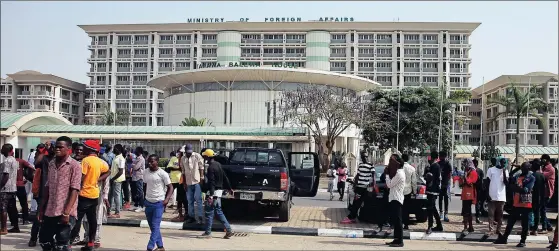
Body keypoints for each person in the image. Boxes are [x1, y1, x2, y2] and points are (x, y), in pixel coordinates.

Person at [37, 136, 81, 251]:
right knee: (44, 240)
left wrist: (66, 213)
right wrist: (41, 209)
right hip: (50, 210)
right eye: (56, 147)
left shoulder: (75, 165)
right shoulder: (51, 164)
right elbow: (47, 186)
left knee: (62, 244)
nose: (57, 149)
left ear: (69, 148)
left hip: (66, 212)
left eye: (61, 147)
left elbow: (75, 189)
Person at [69, 139, 110, 251]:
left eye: (84, 147)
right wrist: (98, 179)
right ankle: (90, 243)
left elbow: (80, 178)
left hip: (84, 194)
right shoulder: (101, 162)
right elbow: (108, 171)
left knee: (77, 219)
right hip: (94, 195)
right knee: (92, 220)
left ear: (89, 149)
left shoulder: (86, 161)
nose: (83, 149)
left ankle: (69, 242)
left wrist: (74, 189)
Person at [494, 162, 535, 247]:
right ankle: (504, 238)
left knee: (525, 224)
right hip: (516, 204)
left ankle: (522, 241)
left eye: (524, 168)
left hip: (526, 204)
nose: (522, 169)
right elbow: (509, 180)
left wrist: (516, 188)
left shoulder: (531, 178)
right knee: (510, 222)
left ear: (528, 169)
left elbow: (526, 190)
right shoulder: (518, 176)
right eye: (522, 168)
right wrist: (516, 168)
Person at [200, 149, 234, 239]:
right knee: (218, 211)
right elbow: (225, 177)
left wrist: (210, 196)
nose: (203, 158)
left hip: (213, 193)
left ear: (207, 157)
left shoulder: (211, 167)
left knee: (209, 212)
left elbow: (212, 183)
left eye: (204, 156)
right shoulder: (218, 164)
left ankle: (208, 233)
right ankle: (229, 230)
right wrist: (230, 188)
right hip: (218, 192)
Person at [143, 154, 173, 250]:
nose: (150, 163)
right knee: (153, 227)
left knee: (155, 226)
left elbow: (170, 187)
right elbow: (145, 185)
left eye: (152, 161)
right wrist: (144, 198)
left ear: (157, 162)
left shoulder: (163, 173)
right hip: (148, 202)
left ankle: (150, 247)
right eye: (149, 161)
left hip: (159, 203)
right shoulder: (145, 172)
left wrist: (167, 200)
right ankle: (160, 247)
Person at [28, 143, 52, 247]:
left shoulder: (60, 160)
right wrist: (44, 151)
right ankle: (33, 238)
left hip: (55, 193)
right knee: (39, 216)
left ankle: (48, 239)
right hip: (42, 192)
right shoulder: (44, 159)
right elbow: (36, 162)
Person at [384, 154, 406, 248]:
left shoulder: (400, 174)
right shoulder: (397, 172)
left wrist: (387, 175)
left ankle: (400, 241)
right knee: (395, 220)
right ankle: (396, 239)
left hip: (396, 198)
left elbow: (389, 185)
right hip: (394, 197)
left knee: (398, 220)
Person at [181, 144, 205, 224]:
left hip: (197, 181)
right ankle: (191, 217)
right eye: (187, 152)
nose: (189, 153)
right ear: (185, 151)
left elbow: (201, 167)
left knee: (198, 200)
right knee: (189, 200)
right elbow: (183, 172)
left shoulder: (197, 156)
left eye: (190, 152)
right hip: (188, 182)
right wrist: (184, 183)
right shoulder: (183, 158)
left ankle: (200, 217)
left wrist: (201, 178)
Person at [9, 157, 34, 230]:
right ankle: (25, 219)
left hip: (11, 185)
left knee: (11, 205)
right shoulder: (21, 161)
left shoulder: (7, 162)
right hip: (20, 184)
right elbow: (31, 167)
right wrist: (28, 177)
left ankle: (13, 221)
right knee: (24, 204)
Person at [485, 158, 509, 237]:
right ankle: (491, 230)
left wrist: (504, 172)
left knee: (500, 214)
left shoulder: (505, 171)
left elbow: (506, 183)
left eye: (505, 163)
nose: (503, 164)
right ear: (499, 162)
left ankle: (498, 230)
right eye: (502, 162)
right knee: (491, 214)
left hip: (501, 196)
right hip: (492, 195)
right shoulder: (491, 170)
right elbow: (487, 182)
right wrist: (487, 194)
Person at [0, 143, 19, 235]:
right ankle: (16, 227)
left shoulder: (7, 161)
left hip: (5, 188)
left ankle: (3, 229)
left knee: (3, 208)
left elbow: (6, 175)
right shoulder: (15, 160)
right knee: (12, 209)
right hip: (13, 188)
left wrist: (0, 186)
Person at [424, 151, 443, 234]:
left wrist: (427, 173)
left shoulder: (435, 166)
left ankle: (430, 226)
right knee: (433, 208)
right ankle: (439, 225)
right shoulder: (433, 166)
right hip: (431, 190)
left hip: (432, 191)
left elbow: (430, 178)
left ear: (432, 157)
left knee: (430, 209)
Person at [460, 158, 478, 234]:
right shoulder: (467, 172)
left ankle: (466, 228)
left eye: (465, 164)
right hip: (465, 193)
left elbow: (469, 182)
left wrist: (465, 177)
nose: (464, 166)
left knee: (467, 212)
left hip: (469, 194)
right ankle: (470, 227)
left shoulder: (473, 172)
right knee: (466, 211)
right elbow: (462, 184)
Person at [108, 144, 126, 218]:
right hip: (113, 179)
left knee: (116, 196)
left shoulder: (121, 159)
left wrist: (113, 179)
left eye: (114, 149)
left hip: (117, 180)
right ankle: (108, 211)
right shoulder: (116, 157)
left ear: (118, 150)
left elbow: (120, 171)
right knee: (110, 196)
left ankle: (117, 212)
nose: (113, 150)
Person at [530, 159, 546, 236]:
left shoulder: (532, 175)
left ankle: (528, 229)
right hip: (540, 197)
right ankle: (535, 230)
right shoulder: (542, 176)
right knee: (537, 214)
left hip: (532, 197)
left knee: (528, 213)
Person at [540, 154, 556, 233]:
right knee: (542, 210)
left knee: (542, 210)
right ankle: (548, 226)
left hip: (547, 192)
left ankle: (545, 227)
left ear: (546, 160)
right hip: (544, 192)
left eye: (542, 159)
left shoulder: (550, 169)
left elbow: (542, 175)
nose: (541, 161)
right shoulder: (544, 167)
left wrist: (538, 167)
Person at [401, 154, 417, 230]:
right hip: (408, 191)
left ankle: (399, 223)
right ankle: (406, 224)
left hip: (399, 190)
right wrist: (415, 191)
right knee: (406, 208)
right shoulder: (412, 168)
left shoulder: (399, 168)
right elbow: (414, 182)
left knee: (399, 208)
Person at [130, 147, 145, 212]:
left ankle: (141, 206)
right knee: (135, 192)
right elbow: (132, 166)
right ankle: (136, 205)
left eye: (136, 150)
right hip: (134, 176)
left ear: (139, 152)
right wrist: (133, 165)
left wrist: (133, 165)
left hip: (139, 177)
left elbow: (135, 167)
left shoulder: (141, 159)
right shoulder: (136, 158)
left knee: (140, 192)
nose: (135, 151)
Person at [438, 151, 452, 222]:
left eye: (441, 156)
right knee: (440, 199)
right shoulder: (438, 163)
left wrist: (448, 183)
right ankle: (441, 213)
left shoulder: (447, 164)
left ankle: (446, 214)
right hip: (440, 184)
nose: (440, 157)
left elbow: (450, 174)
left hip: (446, 184)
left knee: (446, 199)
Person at [472, 158, 485, 224]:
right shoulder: (471, 170)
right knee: (475, 203)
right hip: (474, 189)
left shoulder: (478, 171)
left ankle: (477, 217)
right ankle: (476, 218)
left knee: (477, 204)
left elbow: (481, 180)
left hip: (476, 189)